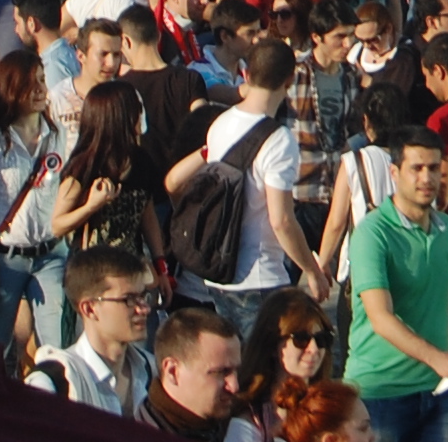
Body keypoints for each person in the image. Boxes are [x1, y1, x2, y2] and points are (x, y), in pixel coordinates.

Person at [165, 37, 321, 342]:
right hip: (261, 276)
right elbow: (281, 220)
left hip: (220, 272)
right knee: (264, 365)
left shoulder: (220, 123)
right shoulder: (280, 140)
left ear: (247, 75)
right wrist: (312, 270)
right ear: (289, 81)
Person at [343, 128, 448, 442]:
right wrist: (438, 358)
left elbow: (446, 302)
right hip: (380, 390)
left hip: (439, 386)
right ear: (395, 172)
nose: (427, 178)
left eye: (434, 168)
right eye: (417, 168)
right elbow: (380, 317)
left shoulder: (447, 228)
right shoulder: (373, 233)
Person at [27, 245, 152, 411]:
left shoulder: (154, 371)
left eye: (143, 297)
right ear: (89, 309)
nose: (144, 309)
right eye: (128, 299)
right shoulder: (54, 382)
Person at [135, 306, 265, 442]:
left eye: (236, 371)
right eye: (220, 372)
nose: (234, 386)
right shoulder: (139, 436)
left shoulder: (222, 424)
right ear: (172, 371)